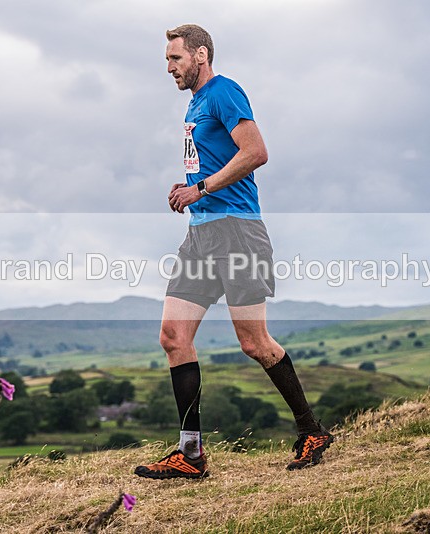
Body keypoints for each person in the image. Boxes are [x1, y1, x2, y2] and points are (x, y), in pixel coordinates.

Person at [134, 24, 332, 480]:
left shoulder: (224, 92)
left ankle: (311, 430)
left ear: (200, 55)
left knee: (254, 343)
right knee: (172, 337)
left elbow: (256, 152)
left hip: (238, 233)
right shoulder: (195, 103)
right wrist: (190, 190)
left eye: (176, 59)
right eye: (167, 60)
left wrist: (200, 187)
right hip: (201, 235)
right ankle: (191, 454)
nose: (169, 68)